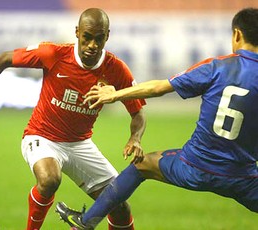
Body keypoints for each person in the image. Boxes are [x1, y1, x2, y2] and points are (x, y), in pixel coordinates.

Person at [56, 7, 258, 230]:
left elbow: (158, 88)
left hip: (194, 166)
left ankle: (85, 224)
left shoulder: (217, 67)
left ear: (237, 34)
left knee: (140, 166)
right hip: (243, 177)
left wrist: (115, 94)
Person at [0, 8, 146, 230]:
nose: (92, 45)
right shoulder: (55, 54)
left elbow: (137, 112)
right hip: (42, 136)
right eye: (87, 37)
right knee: (49, 179)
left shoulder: (117, 70)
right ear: (77, 32)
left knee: (119, 205)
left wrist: (135, 137)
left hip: (80, 143)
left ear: (107, 36)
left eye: (99, 39)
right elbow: (4, 58)